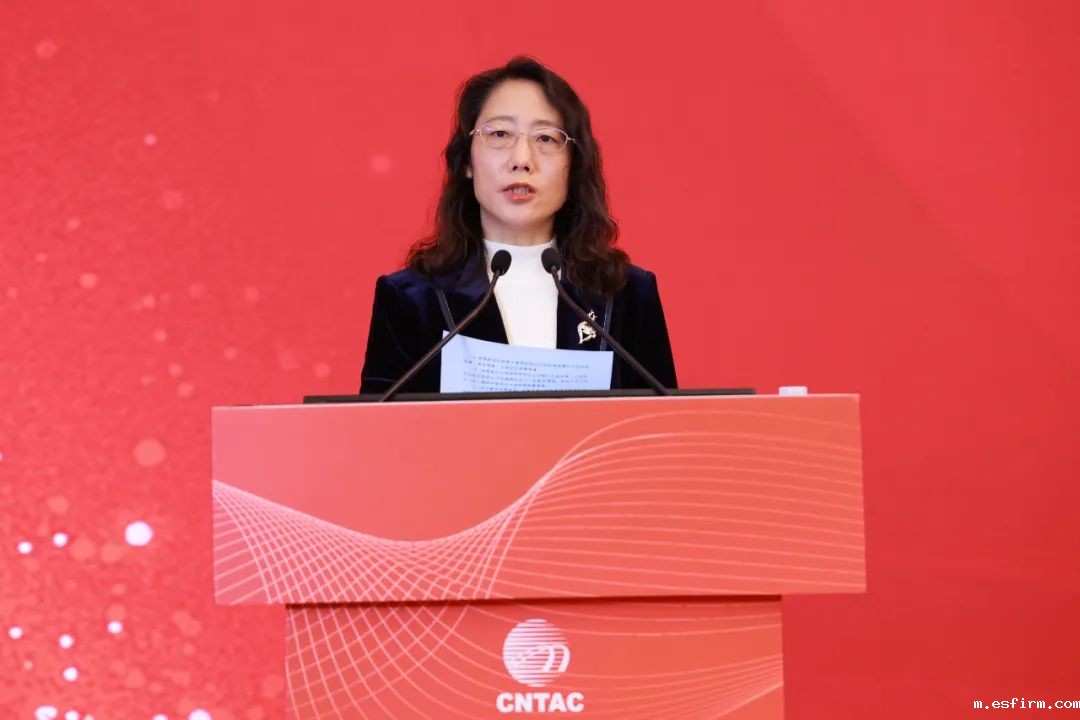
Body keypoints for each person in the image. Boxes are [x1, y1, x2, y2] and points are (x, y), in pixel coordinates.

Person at [360, 57, 677, 394]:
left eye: (546, 139)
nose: (522, 160)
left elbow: (664, 423)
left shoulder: (627, 293)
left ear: (573, 166)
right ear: (466, 161)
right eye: (499, 134)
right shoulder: (411, 300)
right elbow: (381, 424)